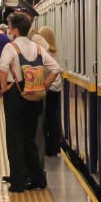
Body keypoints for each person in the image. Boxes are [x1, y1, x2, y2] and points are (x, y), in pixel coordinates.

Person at [0, 11, 61, 192]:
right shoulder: (38, 48)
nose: (9, 31)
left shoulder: (11, 48)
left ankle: (18, 182)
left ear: (15, 30)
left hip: (16, 96)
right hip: (35, 96)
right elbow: (56, 68)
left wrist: (3, 87)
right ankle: (38, 179)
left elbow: (2, 66)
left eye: (9, 27)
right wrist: (45, 87)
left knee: (15, 138)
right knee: (30, 138)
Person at [34, 25, 63, 156]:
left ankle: (47, 147)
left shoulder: (45, 52)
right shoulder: (56, 51)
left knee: (45, 119)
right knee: (53, 118)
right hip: (56, 89)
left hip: (48, 87)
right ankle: (55, 146)